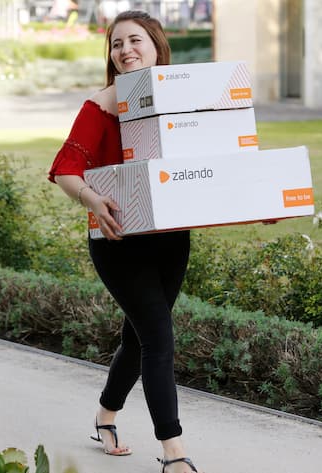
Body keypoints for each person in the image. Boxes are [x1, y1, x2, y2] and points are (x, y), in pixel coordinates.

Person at [47, 10, 200, 473]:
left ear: (156, 47)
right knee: (158, 339)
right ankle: (173, 450)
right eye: (116, 44)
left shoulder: (178, 100)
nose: (125, 50)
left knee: (138, 340)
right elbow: (65, 170)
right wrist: (93, 200)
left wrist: (255, 203)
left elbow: (211, 160)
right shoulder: (101, 106)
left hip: (170, 239)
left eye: (135, 40)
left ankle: (105, 416)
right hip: (117, 239)